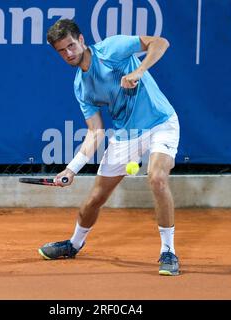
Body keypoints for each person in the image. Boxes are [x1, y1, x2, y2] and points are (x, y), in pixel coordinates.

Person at [39, 19, 180, 276]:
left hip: (161, 122)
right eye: (61, 50)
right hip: (127, 135)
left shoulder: (111, 49)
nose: (68, 53)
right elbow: (96, 132)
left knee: (157, 177)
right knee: (94, 200)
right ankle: (73, 244)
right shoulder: (80, 87)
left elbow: (160, 43)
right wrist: (71, 169)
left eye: (71, 45)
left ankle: (168, 251)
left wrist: (138, 72)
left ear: (81, 40)